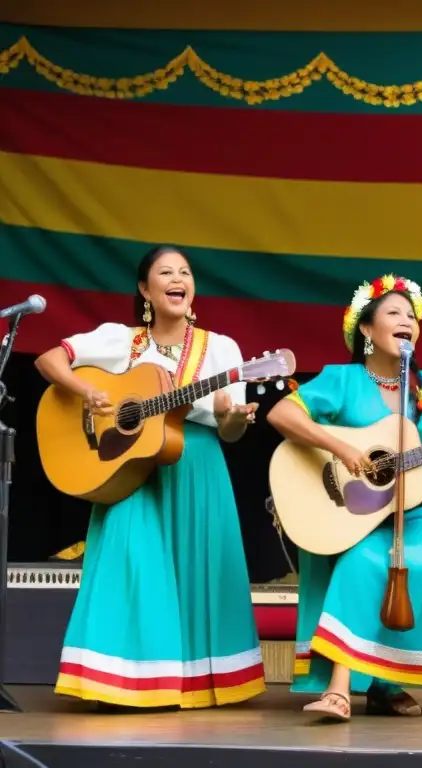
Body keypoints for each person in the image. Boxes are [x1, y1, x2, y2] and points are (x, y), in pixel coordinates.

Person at [266, 275, 422, 722]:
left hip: (409, 513)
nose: (408, 322)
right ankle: (340, 690)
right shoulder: (341, 380)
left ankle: (386, 683)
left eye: (412, 316)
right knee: (363, 562)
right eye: (394, 313)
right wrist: (343, 449)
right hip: (348, 513)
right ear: (366, 330)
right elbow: (281, 413)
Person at [35, 245, 265, 709]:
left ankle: (189, 682)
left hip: (195, 462)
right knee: (130, 563)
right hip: (129, 466)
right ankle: (120, 681)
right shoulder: (120, 340)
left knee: (195, 571)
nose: (177, 278)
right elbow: (49, 360)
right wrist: (89, 390)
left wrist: (235, 415)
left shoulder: (222, 350)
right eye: (165, 271)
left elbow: (229, 430)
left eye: (185, 271)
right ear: (145, 288)